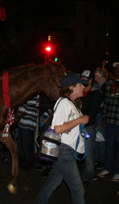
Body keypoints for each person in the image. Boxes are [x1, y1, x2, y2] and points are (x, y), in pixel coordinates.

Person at [35, 73, 89, 204]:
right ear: (71, 87)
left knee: (51, 184)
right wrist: (80, 120)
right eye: (80, 85)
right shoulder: (64, 102)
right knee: (78, 190)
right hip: (64, 152)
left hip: (65, 151)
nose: (83, 87)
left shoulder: (71, 103)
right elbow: (57, 128)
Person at [98, 62, 119, 182]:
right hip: (110, 119)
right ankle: (107, 167)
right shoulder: (108, 84)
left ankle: (118, 171)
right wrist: (104, 117)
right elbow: (106, 102)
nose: (116, 70)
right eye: (115, 68)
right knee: (109, 145)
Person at [79, 68, 103, 184]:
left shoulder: (95, 93)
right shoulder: (79, 92)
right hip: (77, 125)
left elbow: (92, 112)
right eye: (82, 78)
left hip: (88, 126)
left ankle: (88, 177)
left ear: (90, 81)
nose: (82, 80)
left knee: (88, 153)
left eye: (84, 78)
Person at [16, 94, 40, 171]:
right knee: (22, 142)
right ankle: (25, 160)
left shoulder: (34, 94)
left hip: (28, 121)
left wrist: (19, 117)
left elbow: (29, 109)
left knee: (27, 143)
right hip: (23, 121)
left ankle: (29, 162)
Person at [94, 67, 107, 169]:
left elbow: (104, 103)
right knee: (97, 136)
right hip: (97, 113)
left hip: (101, 114)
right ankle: (97, 158)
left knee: (102, 137)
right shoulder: (97, 87)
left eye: (96, 74)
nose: (94, 76)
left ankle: (102, 159)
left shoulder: (105, 87)